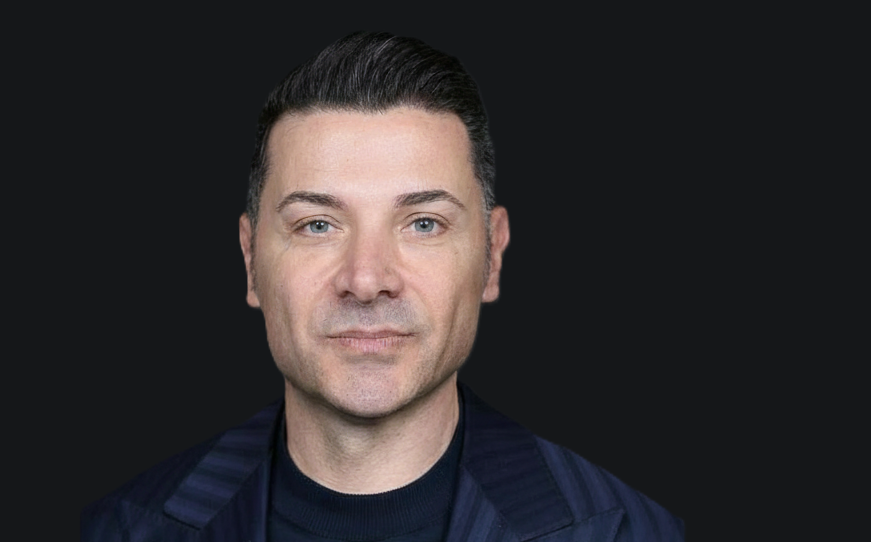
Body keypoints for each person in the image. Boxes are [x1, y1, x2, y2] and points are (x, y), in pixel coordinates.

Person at [81, 31, 685, 541]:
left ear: (492, 256)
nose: (366, 280)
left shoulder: (635, 533)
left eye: (423, 223)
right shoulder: (119, 530)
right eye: (318, 225)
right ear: (250, 261)